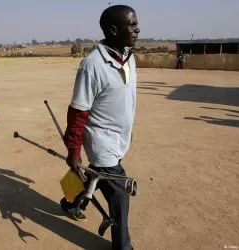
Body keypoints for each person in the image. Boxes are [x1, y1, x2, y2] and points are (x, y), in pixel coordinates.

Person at [61, 5, 139, 250]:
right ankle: (122, 246)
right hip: (101, 142)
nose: (138, 29)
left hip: (120, 139)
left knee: (94, 176)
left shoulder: (129, 56)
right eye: (132, 25)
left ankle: (71, 203)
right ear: (113, 30)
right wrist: (74, 151)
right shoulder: (92, 65)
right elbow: (77, 113)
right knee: (119, 193)